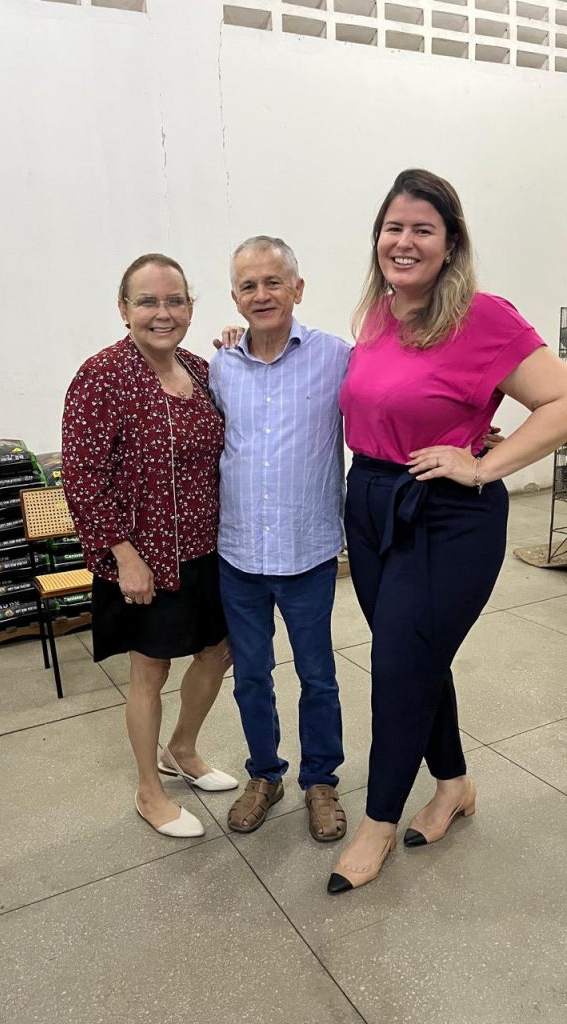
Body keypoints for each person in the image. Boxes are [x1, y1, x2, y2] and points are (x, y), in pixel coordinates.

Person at [329, 168, 567, 893]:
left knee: (400, 664)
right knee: (417, 656)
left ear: (451, 242)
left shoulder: (485, 317)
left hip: (446, 514)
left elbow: (560, 401)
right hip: (372, 501)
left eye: (422, 230)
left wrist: (485, 464)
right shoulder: (378, 315)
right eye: (393, 228)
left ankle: (377, 821)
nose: (403, 242)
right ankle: (455, 784)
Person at [62, 253, 237, 839]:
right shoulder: (102, 376)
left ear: (189, 307)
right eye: (148, 301)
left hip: (209, 550)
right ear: (124, 309)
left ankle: (181, 749)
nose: (163, 313)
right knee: (150, 669)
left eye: (175, 300)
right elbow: (82, 476)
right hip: (145, 557)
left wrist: (239, 346)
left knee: (218, 652)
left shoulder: (202, 370)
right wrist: (122, 554)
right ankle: (148, 789)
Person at [209, 236, 352, 842]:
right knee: (251, 677)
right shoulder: (220, 365)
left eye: (274, 282)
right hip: (239, 554)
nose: (261, 294)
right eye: (249, 285)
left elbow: (392, 403)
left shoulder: (337, 357)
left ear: (298, 288)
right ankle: (264, 774)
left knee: (318, 676)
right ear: (235, 296)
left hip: (307, 551)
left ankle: (320, 781)